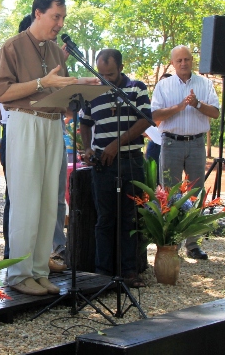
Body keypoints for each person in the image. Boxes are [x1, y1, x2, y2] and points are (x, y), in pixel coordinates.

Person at [0, 0, 98, 296]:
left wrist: (79, 89)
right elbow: (2, 93)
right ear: (38, 13)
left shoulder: (56, 52)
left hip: (54, 125)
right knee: (26, 200)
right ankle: (18, 274)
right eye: (56, 16)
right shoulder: (12, 46)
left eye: (63, 18)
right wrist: (43, 83)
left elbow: (62, 93)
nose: (60, 23)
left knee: (49, 202)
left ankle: (39, 270)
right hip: (25, 122)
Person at [80, 49, 151, 286]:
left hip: (130, 162)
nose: (105, 79)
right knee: (105, 218)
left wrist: (116, 144)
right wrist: (88, 148)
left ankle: (129, 270)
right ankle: (102, 274)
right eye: (101, 74)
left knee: (129, 217)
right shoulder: (92, 92)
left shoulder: (136, 88)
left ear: (121, 67)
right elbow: (85, 123)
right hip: (103, 164)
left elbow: (145, 120)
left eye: (110, 74)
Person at [150, 45, 220, 260]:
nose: (183, 63)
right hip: (171, 143)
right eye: (179, 60)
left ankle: (194, 243)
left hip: (196, 144)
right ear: (172, 63)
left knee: (194, 193)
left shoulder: (205, 84)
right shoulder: (164, 86)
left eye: (187, 59)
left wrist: (197, 104)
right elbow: (154, 115)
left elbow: (216, 112)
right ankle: (170, 241)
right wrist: (178, 107)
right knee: (170, 193)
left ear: (192, 61)